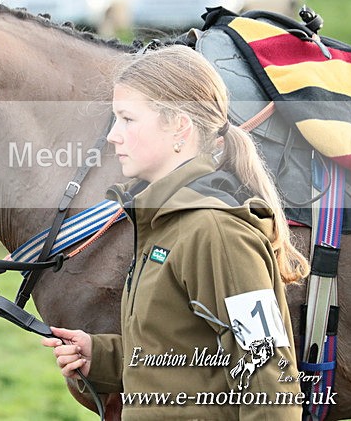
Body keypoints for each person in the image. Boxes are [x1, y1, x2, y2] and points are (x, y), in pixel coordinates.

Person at [42, 46, 310, 419]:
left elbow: (270, 382)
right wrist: (100, 356)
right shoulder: (162, 222)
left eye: (127, 120)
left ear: (178, 126)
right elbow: (185, 356)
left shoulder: (216, 233)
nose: (113, 136)